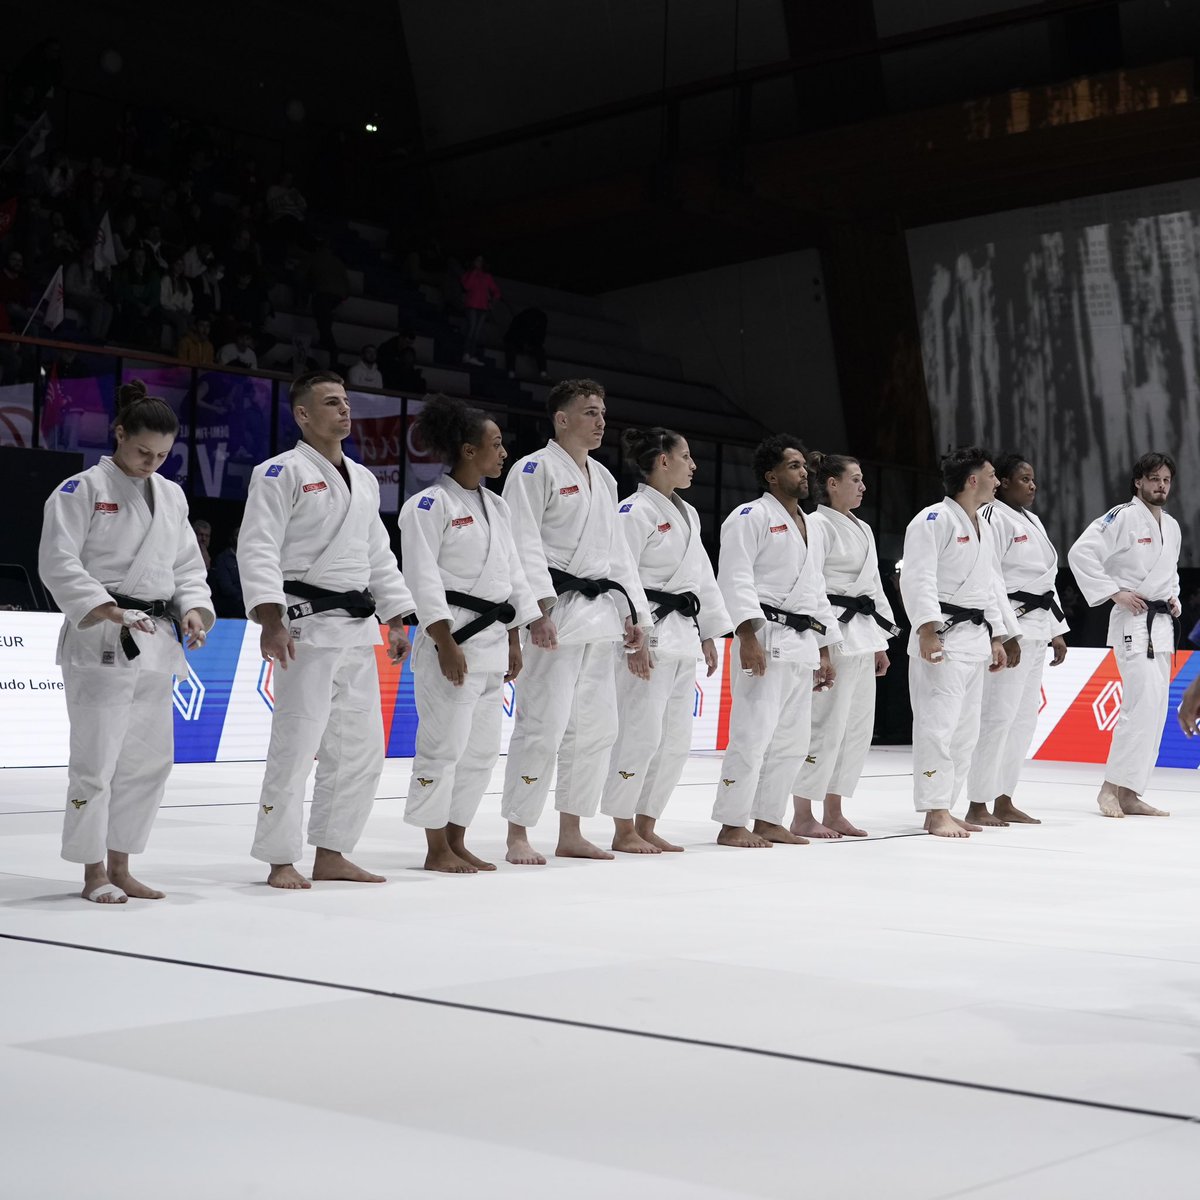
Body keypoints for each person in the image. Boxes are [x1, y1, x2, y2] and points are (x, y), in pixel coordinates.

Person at [37, 380, 214, 903]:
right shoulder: (80, 490)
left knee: (148, 760)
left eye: (161, 455)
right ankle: (93, 872)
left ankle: (122, 863)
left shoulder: (172, 495)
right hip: (100, 638)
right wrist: (104, 606)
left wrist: (194, 614)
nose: (151, 463)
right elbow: (58, 561)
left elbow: (186, 567)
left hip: (155, 638)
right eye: (142, 451)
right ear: (119, 434)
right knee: (96, 760)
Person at [238, 371, 416, 888]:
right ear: (302, 414)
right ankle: (279, 857)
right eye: (331, 403)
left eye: (346, 402)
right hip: (304, 627)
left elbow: (377, 555)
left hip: (358, 631)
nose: (344, 411)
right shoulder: (278, 473)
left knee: (360, 749)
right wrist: (271, 619)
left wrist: (396, 616)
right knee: (296, 744)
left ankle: (333, 851)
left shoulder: (362, 478)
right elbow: (258, 548)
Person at [500, 378, 651, 864]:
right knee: (542, 725)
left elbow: (618, 556)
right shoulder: (532, 469)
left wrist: (635, 615)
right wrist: (536, 610)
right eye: (589, 412)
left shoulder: (604, 478)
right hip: (556, 613)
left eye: (602, 412)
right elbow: (520, 544)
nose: (600, 420)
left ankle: (572, 828)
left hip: (600, 617)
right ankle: (518, 831)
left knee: (598, 728)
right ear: (561, 419)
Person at [398, 394, 544, 872]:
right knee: (442, 748)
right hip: (453, 641)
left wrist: (515, 637)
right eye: (496, 445)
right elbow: (422, 580)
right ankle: (435, 846)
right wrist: (443, 643)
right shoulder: (427, 505)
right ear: (467, 450)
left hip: (492, 644)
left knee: (480, 753)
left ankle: (458, 839)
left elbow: (513, 576)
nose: (503, 453)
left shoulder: (497, 507)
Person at [601, 427, 730, 853]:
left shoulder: (689, 514)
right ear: (663, 461)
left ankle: (648, 821)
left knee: (674, 741)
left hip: (682, 636)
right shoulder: (631, 511)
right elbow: (621, 576)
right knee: (639, 734)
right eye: (686, 456)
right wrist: (636, 637)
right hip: (649, 632)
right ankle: (623, 827)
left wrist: (708, 631)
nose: (693, 465)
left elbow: (702, 579)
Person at [713, 435, 839, 848]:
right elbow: (734, 577)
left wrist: (825, 648)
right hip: (764, 636)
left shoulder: (811, 525)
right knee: (752, 733)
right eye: (793, 466)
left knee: (792, 740)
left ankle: (768, 818)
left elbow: (816, 589)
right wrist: (745, 634)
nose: (804, 473)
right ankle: (732, 822)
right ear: (772, 475)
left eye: (804, 466)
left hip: (802, 641)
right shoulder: (749, 516)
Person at [899, 447, 1016, 838]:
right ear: (972, 480)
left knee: (966, 731)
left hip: (974, 638)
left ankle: (947, 804)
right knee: (938, 726)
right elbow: (917, 577)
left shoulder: (981, 523)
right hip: (944, 638)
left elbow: (989, 587)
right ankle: (934, 810)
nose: (997, 482)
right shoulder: (933, 519)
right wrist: (927, 628)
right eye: (992, 475)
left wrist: (998, 635)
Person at [1067, 452, 1181, 819]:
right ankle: (1109, 789)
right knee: (1139, 706)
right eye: (1153, 479)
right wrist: (1113, 591)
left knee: (1155, 711)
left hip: (1161, 625)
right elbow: (1081, 553)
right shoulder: (1121, 517)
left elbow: (1169, 572)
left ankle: (1131, 792)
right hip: (1134, 623)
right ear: (1138, 482)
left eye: (1165, 479)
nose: (1160, 485)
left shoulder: (1173, 526)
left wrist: (1174, 595)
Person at [790, 452, 897, 839]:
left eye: (863, 478)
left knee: (855, 727)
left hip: (862, 636)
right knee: (824, 724)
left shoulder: (863, 529)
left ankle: (834, 809)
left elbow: (873, 587)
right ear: (832, 484)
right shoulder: (815, 524)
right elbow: (811, 585)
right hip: (832, 631)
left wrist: (881, 642)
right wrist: (820, 645)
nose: (863, 486)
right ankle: (803, 812)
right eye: (855, 479)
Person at [965, 455, 1070, 827]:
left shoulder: (1032, 520)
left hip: (1039, 626)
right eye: (1024, 479)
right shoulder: (992, 517)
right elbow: (989, 579)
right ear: (1003, 482)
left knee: (1023, 720)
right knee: (997, 717)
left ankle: (1004, 798)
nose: (1032, 486)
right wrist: (1002, 633)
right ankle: (978, 802)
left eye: (1034, 479)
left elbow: (1046, 581)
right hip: (1013, 626)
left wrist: (1056, 628)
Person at [461, 255, 500, 365]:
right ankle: (466, 354)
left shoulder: (487, 277)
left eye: (481, 261)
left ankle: (471, 355)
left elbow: (496, 291)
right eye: (477, 260)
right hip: (472, 306)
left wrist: (493, 302)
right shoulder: (468, 274)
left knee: (477, 333)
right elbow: (467, 286)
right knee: (472, 329)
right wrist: (474, 271)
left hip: (483, 308)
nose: (479, 262)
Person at [503, 306, 549, 380]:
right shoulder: (520, 321)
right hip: (516, 340)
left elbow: (540, 337)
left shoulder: (540, 322)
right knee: (511, 348)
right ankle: (511, 371)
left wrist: (531, 344)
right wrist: (523, 344)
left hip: (529, 342)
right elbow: (513, 335)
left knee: (540, 350)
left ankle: (543, 372)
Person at [209, 525, 244, 619]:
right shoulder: (223, 558)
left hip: (249, 599)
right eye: (238, 535)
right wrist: (243, 598)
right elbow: (226, 586)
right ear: (233, 538)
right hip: (233, 602)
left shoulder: (251, 558)